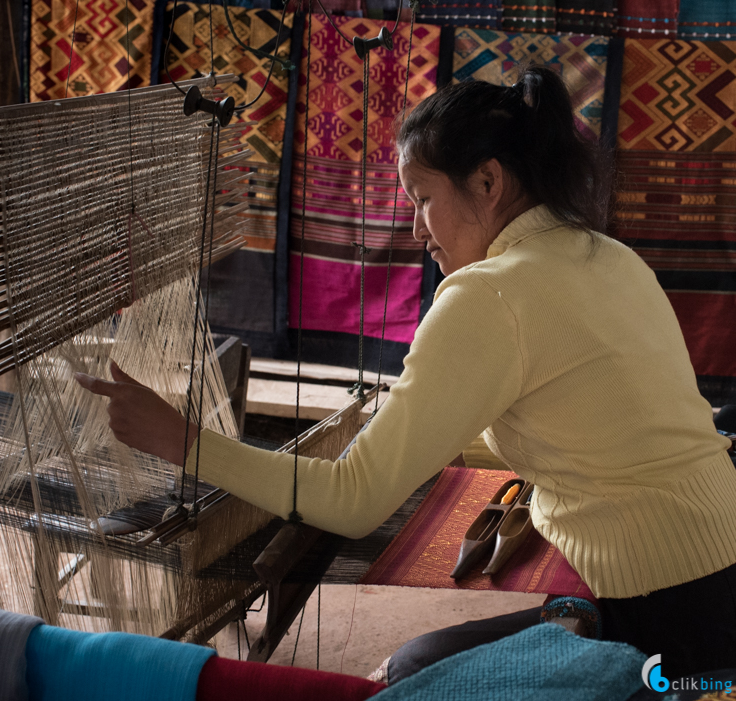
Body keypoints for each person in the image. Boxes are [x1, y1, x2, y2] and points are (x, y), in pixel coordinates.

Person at [75, 64, 736, 678]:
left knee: (406, 672)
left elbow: (353, 500)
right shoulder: (605, 254)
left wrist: (180, 441)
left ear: (488, 181)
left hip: (672, 618)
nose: (418, 228)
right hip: (717, 560)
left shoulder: (489, 295)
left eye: (422, 198)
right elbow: (576, 413)